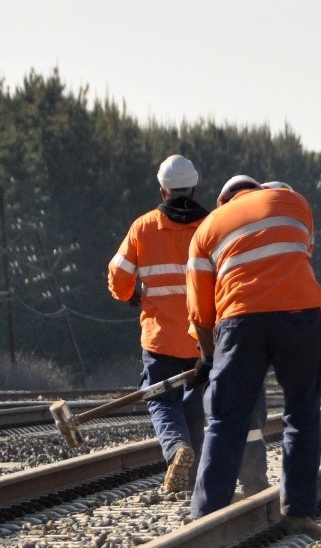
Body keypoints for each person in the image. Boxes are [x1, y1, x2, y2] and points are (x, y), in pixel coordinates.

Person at [186, 176, 321, 532]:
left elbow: (200, 313)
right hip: (301, 316)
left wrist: (208, 357)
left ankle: (206, 517)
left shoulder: (207, 229)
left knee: (225, 420)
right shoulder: (294, 202)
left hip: (240, 321)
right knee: (302, 413)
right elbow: (301, 255)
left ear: (224, 201)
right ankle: (298, 512)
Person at [108, 154, 211, 492]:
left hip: (160, 337)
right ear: (194, 189)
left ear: (163, 191)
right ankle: (191, 476)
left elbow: (118, 276)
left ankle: (176, 449)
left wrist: (129, 296)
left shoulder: (144, 227)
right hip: (203, 338)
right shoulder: (212, 226)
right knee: (195, 404)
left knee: (159, 399)